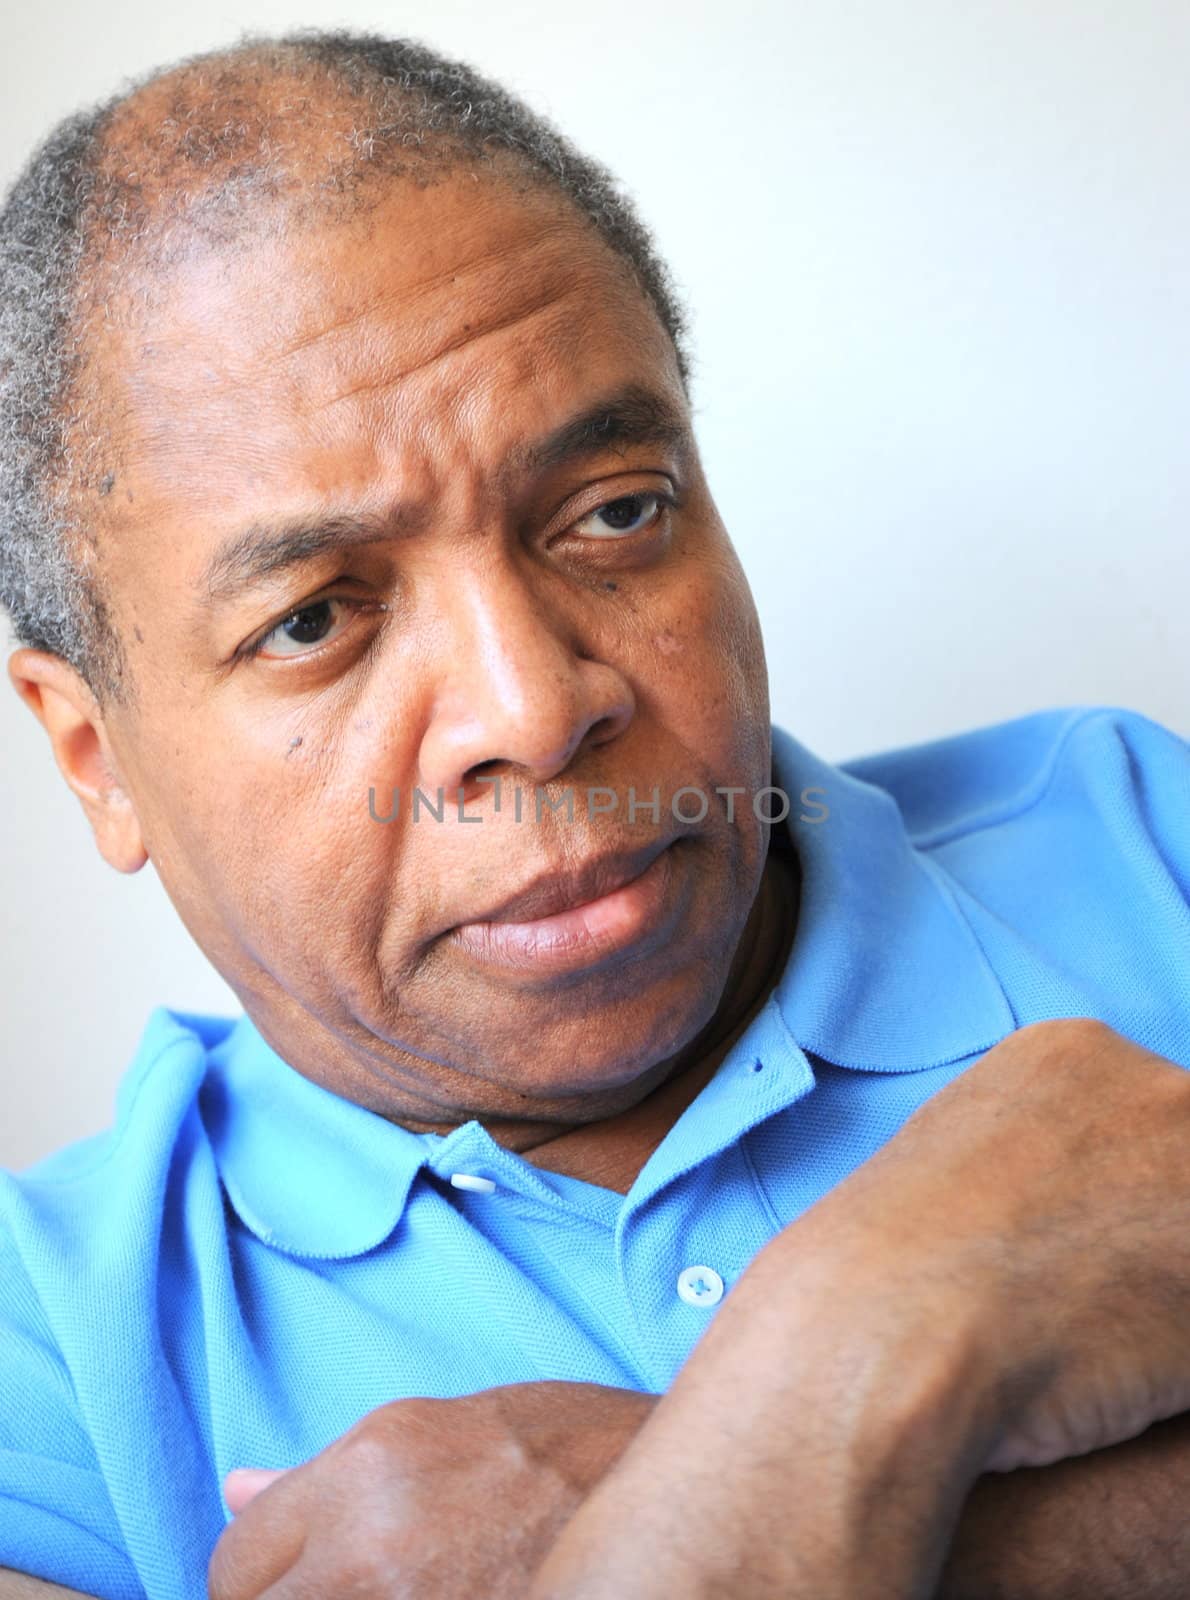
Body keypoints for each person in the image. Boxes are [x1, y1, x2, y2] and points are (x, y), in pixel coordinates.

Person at [1, 28, 1189, 1600]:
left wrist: (819, 1385)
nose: (532, 706)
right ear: (96, 756)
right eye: (315, 618)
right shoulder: (50, 1369)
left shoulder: (1144, 841)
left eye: (615, 512)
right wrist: (802, 1431)